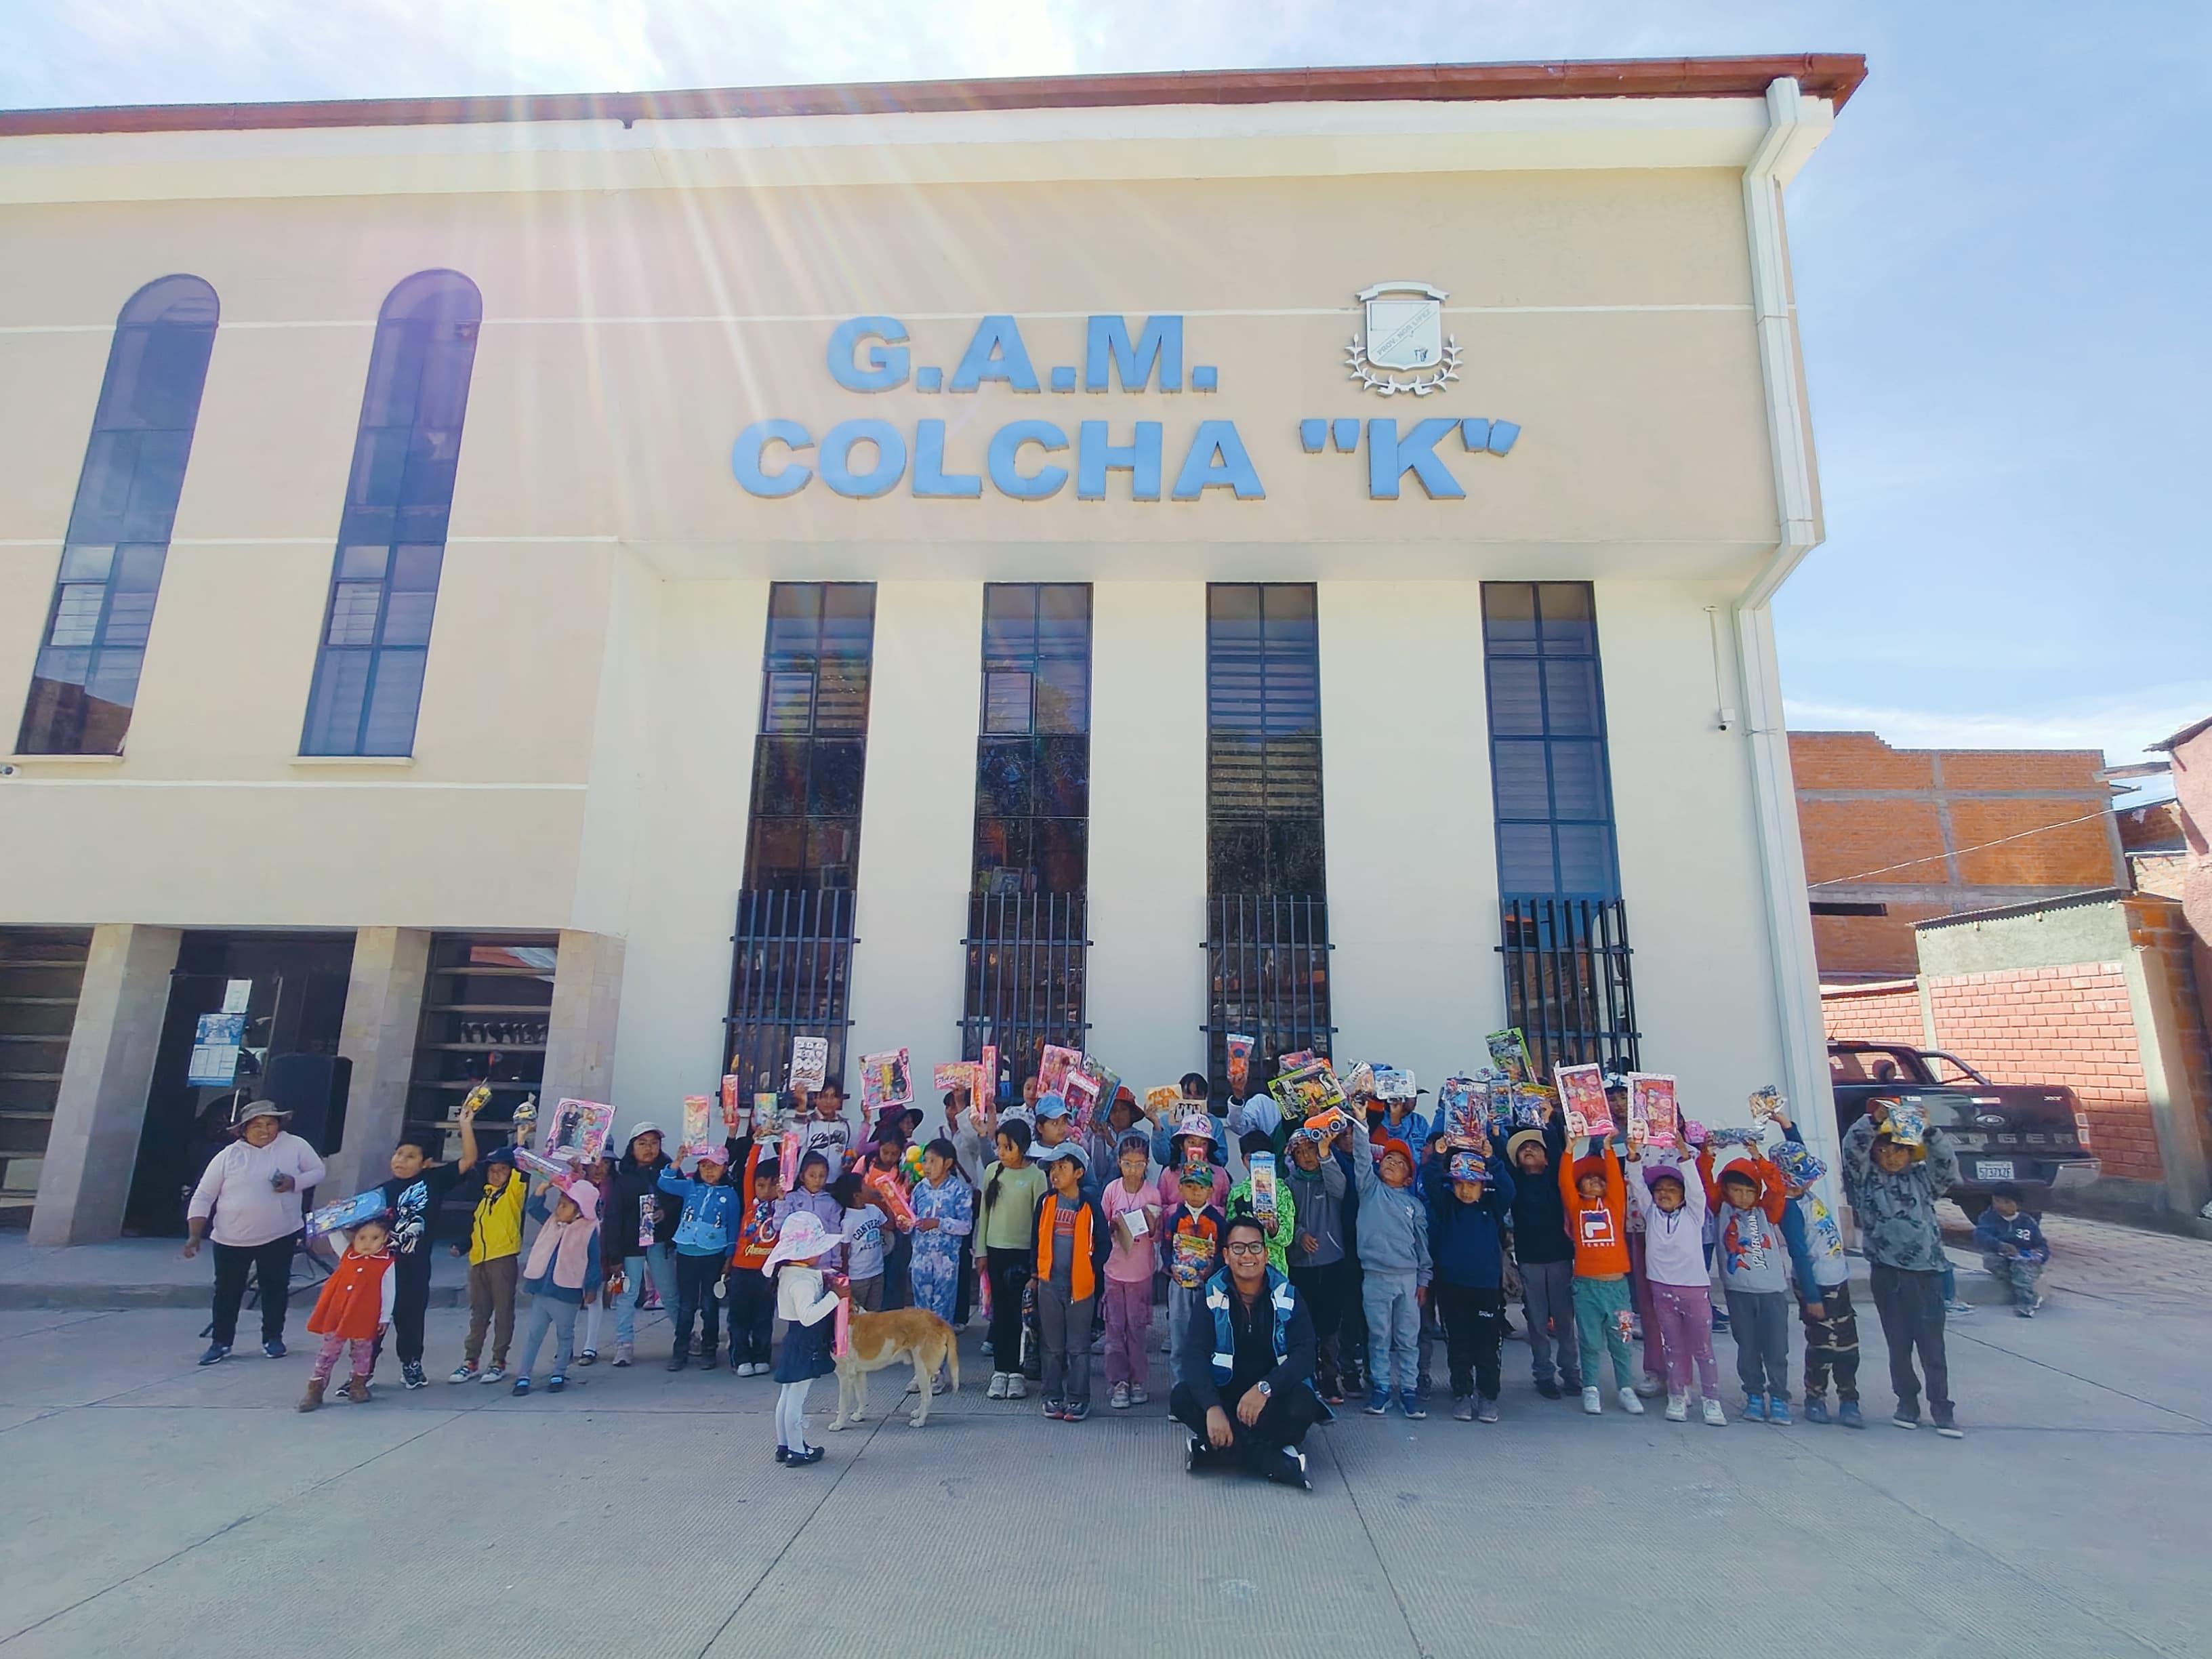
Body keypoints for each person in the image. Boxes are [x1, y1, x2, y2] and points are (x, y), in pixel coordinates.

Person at [1171, 1214, 1330, 1489]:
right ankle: (1274, 1461)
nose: (1248, 1255)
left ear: (1266, 1254)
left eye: (1255, 1247)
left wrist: (1266, 1388)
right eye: (1238, 1248)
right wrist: (1212, 1407)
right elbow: (1194, 1355)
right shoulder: (1211, 1294)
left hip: (1271, 1397)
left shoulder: (1287, 1294)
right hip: (1227, 1393)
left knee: (1304, 1406)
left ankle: (1217, 1449)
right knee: (1182, 1397)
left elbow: (1305, 1354)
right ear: (1226, 1254)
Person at [1842, 1103, 1964, 1437]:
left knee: (1932, 1346)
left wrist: (1929, 1130)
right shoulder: (1866, 1179)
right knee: (1899, 1344)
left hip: (1926, 1273)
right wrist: (1873, 1121)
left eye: (1899, 1151)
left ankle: (1941, 1407)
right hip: (1887, 1272)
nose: (1891, 1158)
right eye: (1884, 1151)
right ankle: (1906, 1402)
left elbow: (1946, 1167)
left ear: (1911, 1153)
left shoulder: (1923, 1180)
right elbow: (1853, 1149)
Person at [183, 1099, 328, 1366]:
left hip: (280, 1233)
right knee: (227, 1291)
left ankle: (273, 1338)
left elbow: (318, 1171)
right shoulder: (229, 1156)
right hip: (230, 1237)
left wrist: (295, 1182)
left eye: (270, 1124)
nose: (265, 1130)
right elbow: (204, 1194)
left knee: (275, 1287)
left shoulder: (295, 1145)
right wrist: (195, 1233)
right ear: (243, 1129)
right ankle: (221, 1342)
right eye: (257, 1125)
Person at [373, 1100, 483, 1389]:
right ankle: (363, 1369)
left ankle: (412, 1366)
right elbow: (356, 1227)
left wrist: (465, 1126)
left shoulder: (434, 1180)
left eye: (410, 1156)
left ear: (426, 1163)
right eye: (398, 1154)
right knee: (375, 1318)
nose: (401, 1160)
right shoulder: (380, 1192)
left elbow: (469, 1160)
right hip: (383, 1268)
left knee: (410, 1318)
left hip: (415, 1265)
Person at [1623, 1146, 1726, 1425]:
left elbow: (1696, 1191)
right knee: (1673, 1346)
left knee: (1702, 1348)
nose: (1664, 1193)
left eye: (1672, 1188)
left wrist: (1685, 1157)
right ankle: (1677, 1395)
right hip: (1661, 1289)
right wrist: (1633, 1158)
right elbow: (1638, 1186)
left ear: (1682, 1195)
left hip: (1693, 1290)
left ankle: (1711, 1400)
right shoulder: (1651, 1213)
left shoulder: (1693, 1215)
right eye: (1660, 1189)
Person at [1769, 1121, 1860, 1426]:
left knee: (1848, 1346)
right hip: (1818, 1286)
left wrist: (1787, 1125)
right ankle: (1816, 1397)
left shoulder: (1804, 1194)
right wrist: (1811, 1297)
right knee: (1823, 1345)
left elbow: (1799, 1152)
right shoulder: (1791, 1209)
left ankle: (1850, 1398)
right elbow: (1798, 1254)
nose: (1810, 1182)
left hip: (1838, 1279)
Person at [1426, 1140, 1515, 1422]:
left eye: (1472, 1185)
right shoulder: (1446, 1207)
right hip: (1452, 1287)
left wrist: (1493, 1160)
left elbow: (1509, 1190)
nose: (1465, 1190)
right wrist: (1439, 1156)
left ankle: (1488, 1395)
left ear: (1483, 1187)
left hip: (1487, 1288)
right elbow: (1429, 1182)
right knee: (1459, 1343)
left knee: (1488, 1344)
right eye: (1460, 1184)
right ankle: (1462, 1393)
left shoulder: (1492, 1206)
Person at [1708, 1147, 1793, 1424]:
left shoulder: (1767, 1211)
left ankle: (1779, 1397)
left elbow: (1778, 1189)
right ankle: (1754, 1395)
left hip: (1772, 1292)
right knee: (1747, 1347)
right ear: (1726, 1190)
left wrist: (1760, 1161)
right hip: (1739, 1291)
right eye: (1736, 1190)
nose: (1743, 1197)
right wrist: (1706, 1155)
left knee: (1777, 1348)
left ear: (1757, 1192)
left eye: (1749, 1191)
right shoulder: (1720, 1209)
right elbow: (1704, 1181)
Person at [449, 1119, 536, 1384]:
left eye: (502, 1170)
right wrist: (463, 1246)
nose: (496, 1174)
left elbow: (522, 1172)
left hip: (502, 1258)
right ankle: (470, 1360)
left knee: (503, 1311)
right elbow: (476, 1228)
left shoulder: (512, 1195)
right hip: (479, 1261)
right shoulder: (484, 1197)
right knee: (479, 1313)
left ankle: (498, 1360)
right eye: (492, 1170)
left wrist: (521, 1142)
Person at [1561, 1134, 1640, 1416]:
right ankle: (1591, 1388)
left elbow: (1617, 1182)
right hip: (1587, 1288)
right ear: (1579, 1188)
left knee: (1623, 1340)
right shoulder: (1576, 1206)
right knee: (1590, 1341)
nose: (1596, 1181)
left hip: (1618, 1287)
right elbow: (1564, 1182)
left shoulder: (1615, 1205)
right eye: (1588, 1179)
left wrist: (1607, 1149)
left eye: (1600, 1178)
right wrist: (1570, 1149)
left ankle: (1625, 1387)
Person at [1353, 1135, 1431, 1418]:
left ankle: (1409, 1389)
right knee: (1379, 1336)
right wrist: (1361, 1127)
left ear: (1408, 1179)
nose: (1392, 1164)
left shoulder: (1415, 1207)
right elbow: (1362, 1160)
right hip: (1375, 1276)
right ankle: (1381, 1387)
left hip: (1407, 1278)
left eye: (1400, 1163)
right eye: (1388, 1159)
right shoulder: (1369, 1189)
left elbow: (1423, 1247)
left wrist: (1424, 1280)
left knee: (1408, 1337)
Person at [1032, 1142, 1109, 1421]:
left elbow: (1104, 1243)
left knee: (1078, 1348)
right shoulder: (1045, 1202)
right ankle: (1052, 1395)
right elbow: (1035, 1241)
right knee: (1052, 1346)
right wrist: (1035, 1275)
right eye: (1053, 1168)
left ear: (1079, 1172)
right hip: (1049, 1284)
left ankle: (1078, 1398)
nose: (1055, 1173)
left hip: (1081, 1288)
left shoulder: (1089, 1205)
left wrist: (1089, 1270)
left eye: (1062, 1167)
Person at [1504, 1117, 1580, 1400]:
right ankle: (1544, 1374)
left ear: (1547, 1158)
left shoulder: (1555, 1180)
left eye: (1535, 1148)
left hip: (1560, 1257)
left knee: (1564, 1321)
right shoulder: (1516, 1185)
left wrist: (1547, 1119)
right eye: (1523, 1150)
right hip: (1530, 1260)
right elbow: (1502, 1159)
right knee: (1536, 1323)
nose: (1529, 1151)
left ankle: (1571, 1373)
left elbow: (1559, 1151)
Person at [766, 1212, 846, 1467]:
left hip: (794, 1339)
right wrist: (836, 1296)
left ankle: (785, 1445)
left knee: (787, 1394)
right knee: (796, 1399)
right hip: (806, 1340)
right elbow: (809, 1316)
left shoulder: (789, 1274)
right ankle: (798, 1450)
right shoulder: (801, 1281)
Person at [1285, 1122, 1357, 1404]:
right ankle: (1307, 1377)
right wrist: (1300, 1235)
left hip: (1331, 1261)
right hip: (1301, 1265)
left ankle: (1330, 1378)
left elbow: (1341, 1189)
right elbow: (1287, 1217)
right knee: (1305, 1323)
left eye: (1311, 1150)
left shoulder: (1329, 1177)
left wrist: (1326, 1153)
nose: (1306, 1156)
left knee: (1330, 1325)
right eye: (1300, 1152)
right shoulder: (1289, 1185)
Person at [510, 1176, 602, 1396]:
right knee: (534, 1333)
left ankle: (559, 1373)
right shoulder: (551, 1221)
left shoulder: (589, 1230)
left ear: (580, 1210)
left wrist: (590, 1288)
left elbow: (594, 1262)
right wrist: (543, 1186)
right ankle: (524, 1376)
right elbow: (532, 1207)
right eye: (559, 1203)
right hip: (542, 1289)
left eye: (565, 1205)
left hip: (567, 1292)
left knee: (565, 1335)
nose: (559, 1208)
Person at [979, 1119, 1047, 1400]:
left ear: (1023, 1146)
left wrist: (1037, 1264)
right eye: (999, 1146)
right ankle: (1000, 1371)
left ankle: (1017, 1372)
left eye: (1009, 1147)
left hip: (1023, 1253)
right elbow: (984, 1214)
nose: (1002, 1152)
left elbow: (1040, 1223)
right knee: (1000, 1314)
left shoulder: (1036, 1176)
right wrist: (981, 1251)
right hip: (996, 1250)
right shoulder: (992, 1171)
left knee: (1021, 1315)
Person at [298, 1212, 394, 1411]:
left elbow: (389, 1290)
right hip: (338, 1312)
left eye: (375, 1238)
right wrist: (336, 1213)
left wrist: (385, 1317)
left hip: (365, 1313)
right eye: (362, 1238)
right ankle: (316, 1388)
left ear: (385, 1238)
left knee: (363, 1351)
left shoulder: (386, 1262)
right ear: (353, 1237)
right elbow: (333, 1233)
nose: (367, 1243)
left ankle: (358, 1385)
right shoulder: (347, 1253)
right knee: (329, 1351)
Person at [659, 1145, 738, 1371]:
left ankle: (709, 1350)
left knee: (709, 1305)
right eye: (704, 1165)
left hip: (713, 1255)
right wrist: (677, 1162)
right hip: (686, 1254)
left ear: (724, 1168)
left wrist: (729, 1257)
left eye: (714, 1166)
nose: (709, 1170)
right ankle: (680, 1352)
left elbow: (733, 1226)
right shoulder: (690, 1187)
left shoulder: (730, 1195)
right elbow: (664, 1183)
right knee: (686, 1305)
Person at [608, 1122, 677, 1367]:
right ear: (632, 1147)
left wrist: (665, 1213)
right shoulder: (623, 1179)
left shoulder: (669, 1172)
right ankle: (624, 1344)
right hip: (631, 1246)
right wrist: (614, 1256)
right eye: (642, 1143)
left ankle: (684, 1336)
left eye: (654, 1143)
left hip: (659, 1242)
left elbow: (679, 1201)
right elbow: (614, 1216)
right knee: (627, 1294)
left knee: (669, 1292)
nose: (649, 1148)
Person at [906, 1138, 972, 1391]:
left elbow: (965, 1225)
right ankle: (921, 1371)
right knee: (921, 1317)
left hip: (946, 1264)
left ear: (948, 1163)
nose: (928, 1165)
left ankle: (937, 1372)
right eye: (925, 1161)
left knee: (940, 1318)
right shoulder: (919, 1190)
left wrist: (939, 1223)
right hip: (921, 1262)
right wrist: (906, 1224)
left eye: (933, 1161)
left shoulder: (958, 1191)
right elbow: (911, 1220)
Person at [1101, 1131, 1160, 1409]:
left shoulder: (1152, 1193)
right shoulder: (1112, 1190)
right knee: (1114, 1328)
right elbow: (1101, 1227)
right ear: (1119, 1163)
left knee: (1137, 1329)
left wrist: (1151, 1221)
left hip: (1141, 1272)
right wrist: (1114, 1226)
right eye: (1127, 1163)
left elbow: (1157, 1236)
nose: (1133, 1169)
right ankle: (1118, 1382)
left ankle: (1138, 1381)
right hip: (1114, 1270)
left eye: (1139, 1163)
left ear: (1147, 1163)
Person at [1164, 1162, 1227, 1385]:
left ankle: (1204, 1389)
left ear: (1211, 1190)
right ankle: (1181, 1388)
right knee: (1180, 1337)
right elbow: (1166, 1247)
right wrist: (1170, 1267)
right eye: (1189, 1186)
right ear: (1180, 1189)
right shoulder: (1175, 1219)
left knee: (1206, 1338)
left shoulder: (1218, 1221)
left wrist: (1215, 1265)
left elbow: (1224, 1251)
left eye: (1201, 1187)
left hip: (1208, 1287)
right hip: (1180, 1286)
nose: (1195, 1191)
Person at [726, 1148, 783, 1377]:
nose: (766, 1190)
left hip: (767, 1272)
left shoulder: (783, 1206)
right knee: (739, 1316)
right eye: (761, 1185)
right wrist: (759, 1142)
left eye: (772, 1185)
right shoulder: (751, 1201)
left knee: (763, 1316)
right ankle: (740, 1358)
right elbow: (750, 1171)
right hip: (742, 1269)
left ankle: (761, 1356)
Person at [1972, 1183, 2049, 1316]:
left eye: (2007, 1202)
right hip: (2001, 1257)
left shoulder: (2027, 1222)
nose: (2001, 1206)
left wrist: (2039, 1255)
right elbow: (1980, 1235)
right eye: (1996, 1201)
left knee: (2020, 1269)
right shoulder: (1989, 1218)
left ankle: (2026, 1303)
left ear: (2017, 1205)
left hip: (2024, 1261)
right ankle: (2027, 1290)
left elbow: (2041, 1244)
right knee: (1991, 1260)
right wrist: (2000, 1245)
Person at [1229, 1133, 1297, 1278]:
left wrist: (1275, 1231)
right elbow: (1230, 1234)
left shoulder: (1282, 1191)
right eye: (1251, 1159)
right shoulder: (1236, 1193)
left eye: (1263, 1159)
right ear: (1243, 1160)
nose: (1257, 1166)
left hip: (1275, 1267)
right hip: (1244, 1266)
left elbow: (1287, 1238)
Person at [569, 1151, 614, 1365]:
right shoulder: (576, 1184)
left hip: (600, 1247)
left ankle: (590, 1346)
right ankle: (566, 1344)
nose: (600, 1167)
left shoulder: (613, 1187)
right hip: (574, 1246)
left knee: (594, 1296)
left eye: (605, 1162)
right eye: (595, 1162)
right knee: (569, 1298)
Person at [867, 1132, 916, 1310]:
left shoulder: (903, 1172)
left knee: (895, 1274)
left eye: (894, 1154)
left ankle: (893, 1313)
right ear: (879, 1148)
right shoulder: (866, 1164)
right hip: (869, 1228)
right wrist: (874, 1195)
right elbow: (855, 1187)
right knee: (874, 1274)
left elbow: (904, 1200)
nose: (889, 1157)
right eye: (885, 1152)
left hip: (894, 1228)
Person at [831, 1171, 892, 1312]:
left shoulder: (873, 1210)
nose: (869, 1186)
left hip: (877, 1271)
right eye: (864, 1184)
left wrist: (889, 1202)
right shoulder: (848, 1221)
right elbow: (844, 1252)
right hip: (858, 1277)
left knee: (874, 1313)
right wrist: (846, 1276)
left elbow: (890, 1226)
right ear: (856, 1195)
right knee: (857, 1313)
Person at [775, 1151, 843, 1238]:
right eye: (812, 1175)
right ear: (802, 1177)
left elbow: (834, 1235)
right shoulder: (791, 1199)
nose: (817, 1180)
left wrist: (835, 1252)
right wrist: (781, 1200)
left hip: (822, 1251)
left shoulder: (832, 1204)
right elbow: (779, 1226)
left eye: (822, 1176)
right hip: (796, 1250)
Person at [796, 1082, 854, 1178]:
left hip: (836, 1182)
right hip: (809, 1184)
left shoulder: (846, 1125)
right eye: (824, 1096)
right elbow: (795, 1143)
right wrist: (802, 1106)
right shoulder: (807, 1123)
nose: (828, 1101)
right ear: (815, 1099)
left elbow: (850, 1148)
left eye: (833, 1097)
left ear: (840, 1100)